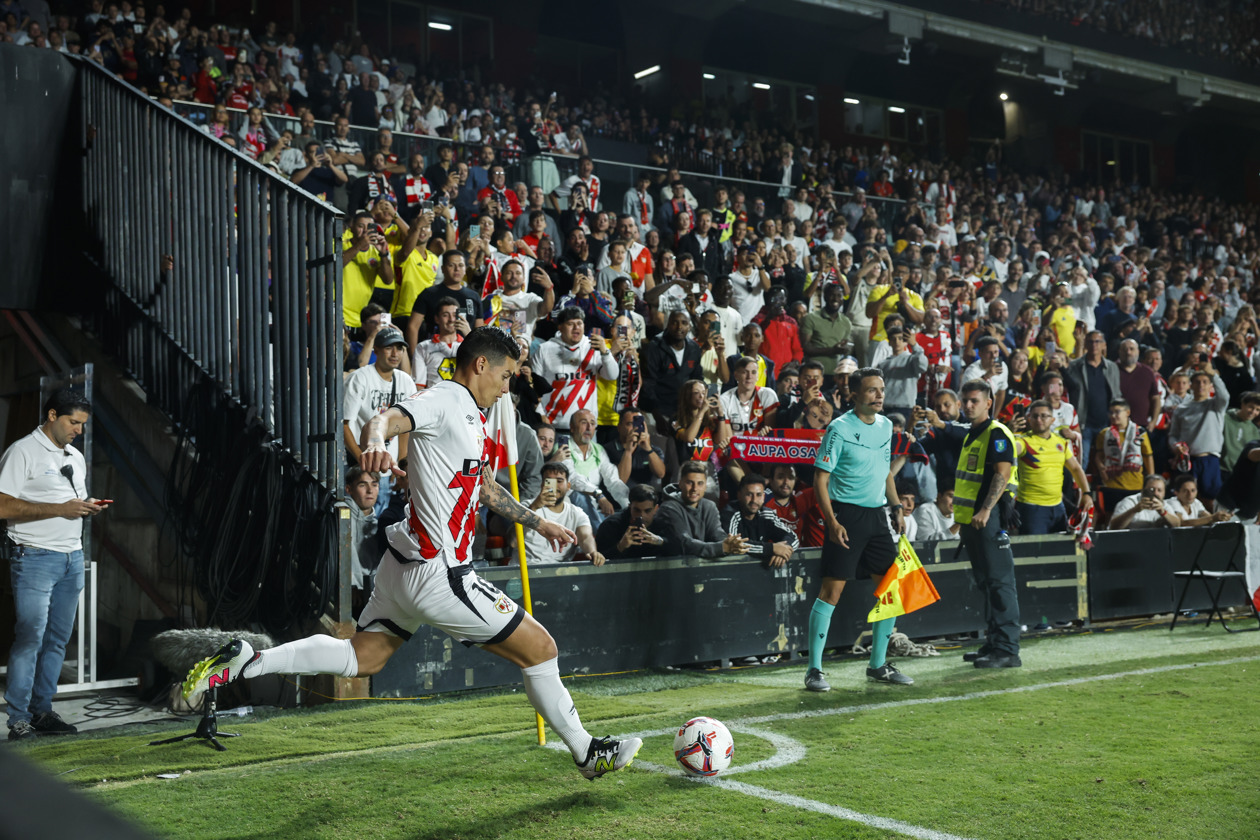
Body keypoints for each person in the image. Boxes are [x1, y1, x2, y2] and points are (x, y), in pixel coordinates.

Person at [181, 328, 642, 781]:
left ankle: (247, 661)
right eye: (506, 376)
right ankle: (586, 753)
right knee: (542, 649)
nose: (508, 387)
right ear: (481, 365)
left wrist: (537, 521)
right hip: (440, 572)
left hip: (402, 567)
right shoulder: (444, 400)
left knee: (362, 657)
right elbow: (384, 419)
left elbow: (481, 486)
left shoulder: (474, 416)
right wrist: (378, 443)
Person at [0, 390, 107, 740]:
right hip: (34, 557)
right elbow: (2, 506)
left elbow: (66, 500)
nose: (78, 430)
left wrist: (86, 505)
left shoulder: (75, 456)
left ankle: (42, 711)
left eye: (82, 424)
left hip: (71, 558)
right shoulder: (22, 451)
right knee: (30, 636)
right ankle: (18, 718)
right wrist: (60, 509)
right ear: (51, 415)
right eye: (73, 422)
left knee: (57, 640)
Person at [807, 366, 914, 691]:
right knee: (832, 592)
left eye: (881, 389)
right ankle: (814, 670)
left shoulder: (885, 426)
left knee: (890, 591)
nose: (879, 395)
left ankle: (878, 664)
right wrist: (832, 521)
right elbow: (820, 480)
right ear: (855, 394)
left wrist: (895, 507)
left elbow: (885, 473)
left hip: (877, 517)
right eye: (872, 390)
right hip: (846, 517)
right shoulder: (838, 429)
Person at [954, 380, 1022, 669]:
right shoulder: (973, 434)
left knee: (999, 582)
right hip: (974, 520)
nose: (968, 405)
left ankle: (1008, 649)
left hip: (989, 518)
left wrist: (984, 510)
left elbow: (1002, 475)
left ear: (988, 402)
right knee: (986, 581)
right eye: (965, 400)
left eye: (974, 401)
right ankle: (995, 642)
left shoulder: (996, 433)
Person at [1015, 400, 1091, 535]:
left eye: (1044, 416)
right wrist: (1009, 432)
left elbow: (1075, 468)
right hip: (1032, 509)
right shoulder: (1023, 441)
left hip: (1057, 507)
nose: (1039, 420)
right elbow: (1010, 448)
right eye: (1035, 416)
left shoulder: (1060, 442)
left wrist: (1086, 493)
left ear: (1052, 420)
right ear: (1029, 419)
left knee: (1058, 551)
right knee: (1034, 553)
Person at [653, 462, 748, 558]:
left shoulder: (709, 506)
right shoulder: (668, 508)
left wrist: (732, 544)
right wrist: (722, 548)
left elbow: (717, 534)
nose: (695, 488)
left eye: (700, 483)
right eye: (690, 483)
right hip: (672, 567)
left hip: (699, 567)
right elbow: (684, 544)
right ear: (680, 483)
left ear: (705, 486)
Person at [518, 463, 604, 566]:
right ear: (542, 485)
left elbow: (586, 537)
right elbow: (513, 540)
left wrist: (592, 552)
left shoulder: (577, 514)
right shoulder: (526, 506)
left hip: (558, 574)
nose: (554, 486)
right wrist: (534, 508)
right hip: (523, 571)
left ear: (568, 486)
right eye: (549, 481)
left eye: (559, 481)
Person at [1169, 369, 1230, 504]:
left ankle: (1210, 524)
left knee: (1210, 499)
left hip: (1209, 460)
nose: (1201, 385)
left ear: (1210, 385)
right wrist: (1176, 447)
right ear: (1191, 385)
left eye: (1205, 382)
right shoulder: (1181, 408)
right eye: (1197, 382)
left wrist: (1213, 374)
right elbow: (1173, 435)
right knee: (1185, 499)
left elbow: (1225, 396)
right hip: (1187, 461)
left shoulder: (1216, 405)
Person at [564, 409, 629, 528]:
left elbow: (613, 481)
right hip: (569, 507)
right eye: (584, 423)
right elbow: (572, 478)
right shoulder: (563, 446)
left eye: (592, 423)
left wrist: (629, 506)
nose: (589, 428)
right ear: (572, 427)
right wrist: (599, 495)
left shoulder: (598, 450)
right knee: (578, 495)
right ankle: (600, 537)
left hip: (594, 510)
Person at [720, 473, 799, 568]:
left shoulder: (766, 514)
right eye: (749, 494)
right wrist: (772, 548)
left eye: (758, 495)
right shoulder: (730, 513)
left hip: (759, 572)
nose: (754, 500)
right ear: (739, 495)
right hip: (731, 570)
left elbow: (793, 537)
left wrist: (784, 551)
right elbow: (734, 545)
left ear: (764, 497)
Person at [1091, 399, 1154, 515]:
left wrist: (1151, 479)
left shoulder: (1140, 432)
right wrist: (1101, 468)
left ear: (1127, 413)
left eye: (1117, 412)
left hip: (1135, 484)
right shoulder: (1104, 433)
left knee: (1135, 518)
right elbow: (1098, 455)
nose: (1113, 416)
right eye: (1111, 413)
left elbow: (1147, 456)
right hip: (1111, 484)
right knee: (1112, 517)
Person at [596, 484, 666, 559]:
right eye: (637, 510)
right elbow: (597, 560)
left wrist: (660, 542)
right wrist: (620, 547)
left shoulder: (662, 525)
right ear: (630, 507)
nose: (641, 515)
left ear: (656, 509)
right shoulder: (611, 525)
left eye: (647, 511)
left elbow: (676, 550)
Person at [763, 463, 825, 547]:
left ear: (795, 480)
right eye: (780, 477)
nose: (786, 482)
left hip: (796, 556)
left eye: (790, 477)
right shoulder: (762, 499)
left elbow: (824, 484)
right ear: (771, 480)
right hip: (769, 554)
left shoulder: (800, 501)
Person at [1107, 474, 1182, 530]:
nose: (1156, 493)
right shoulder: (1130, 502)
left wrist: (1163, 512)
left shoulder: (1164, 505)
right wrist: (1134, 510)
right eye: (1152, 489)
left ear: (1164, 493)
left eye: (1159, 490)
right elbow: (1113, 527)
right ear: (1143, 490)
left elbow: (1177, 525)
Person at [1164, 475, 1231, 527]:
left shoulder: (1196, 502)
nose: (1190, 494)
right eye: (1185, 491)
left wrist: (1222, 517)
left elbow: (1208, 517)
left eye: (1193, 490)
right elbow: (1181, 523)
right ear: (1176, 492)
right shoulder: (1172, 502)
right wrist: (1212, 518)